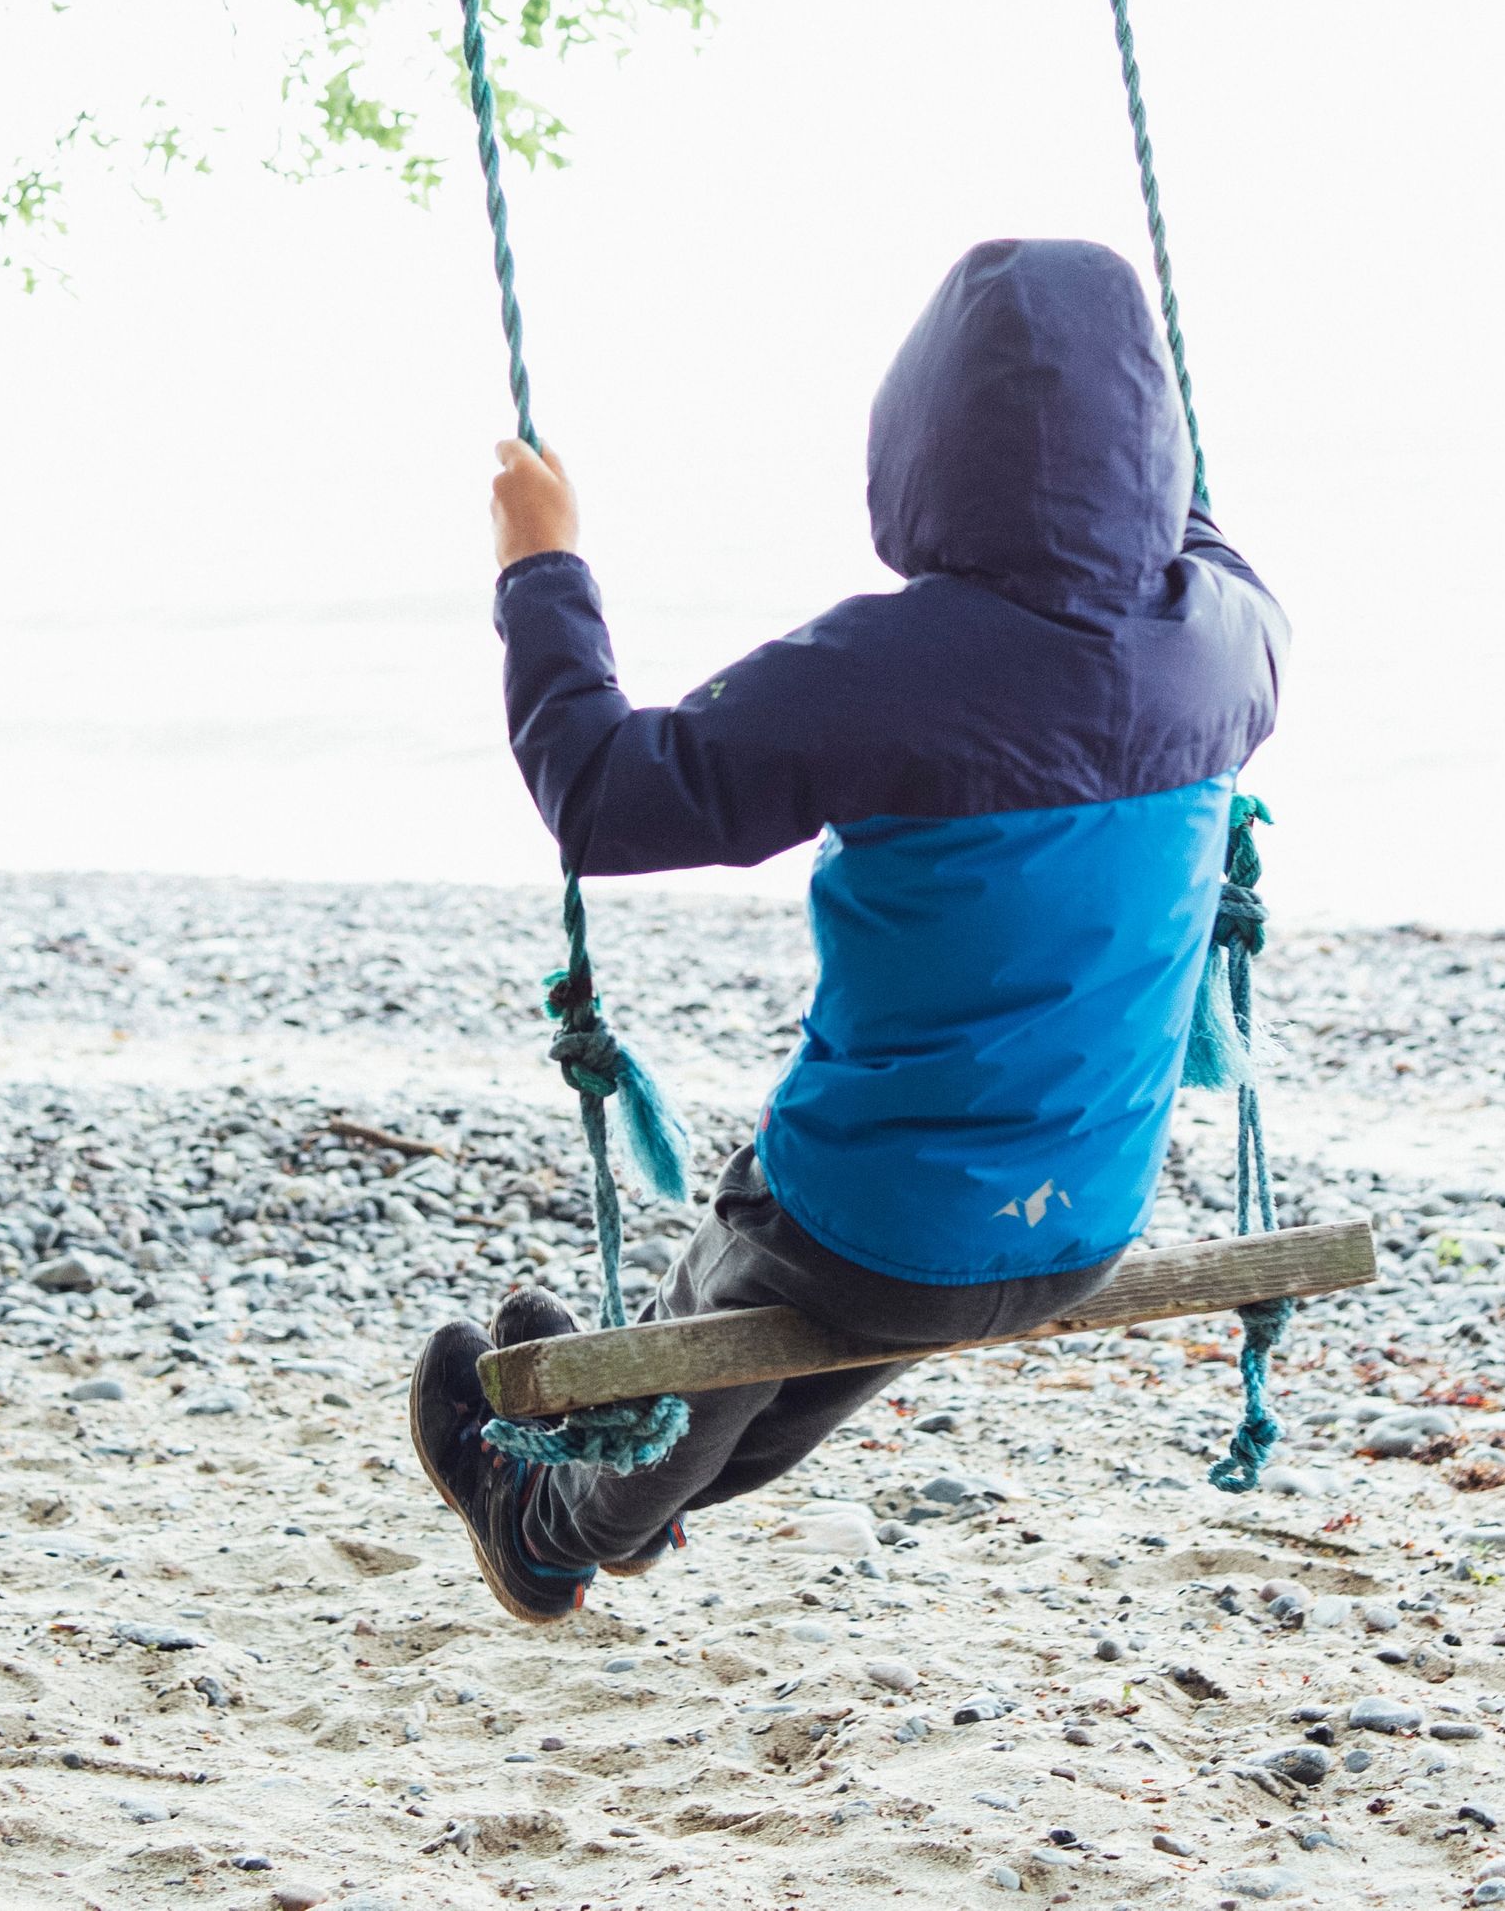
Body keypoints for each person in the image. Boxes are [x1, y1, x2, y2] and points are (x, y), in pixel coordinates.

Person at [408, 236, 1287, 1621]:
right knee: (821, 1332)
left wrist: (543, 570)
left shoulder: (888, 671)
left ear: (915, 447)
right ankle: (626, 1431)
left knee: (758, 1307)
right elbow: (1204, 540)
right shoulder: (1227, 639)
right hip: (1086, 1220)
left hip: (866, 1222)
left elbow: (602, 800)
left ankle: (553, 1524)